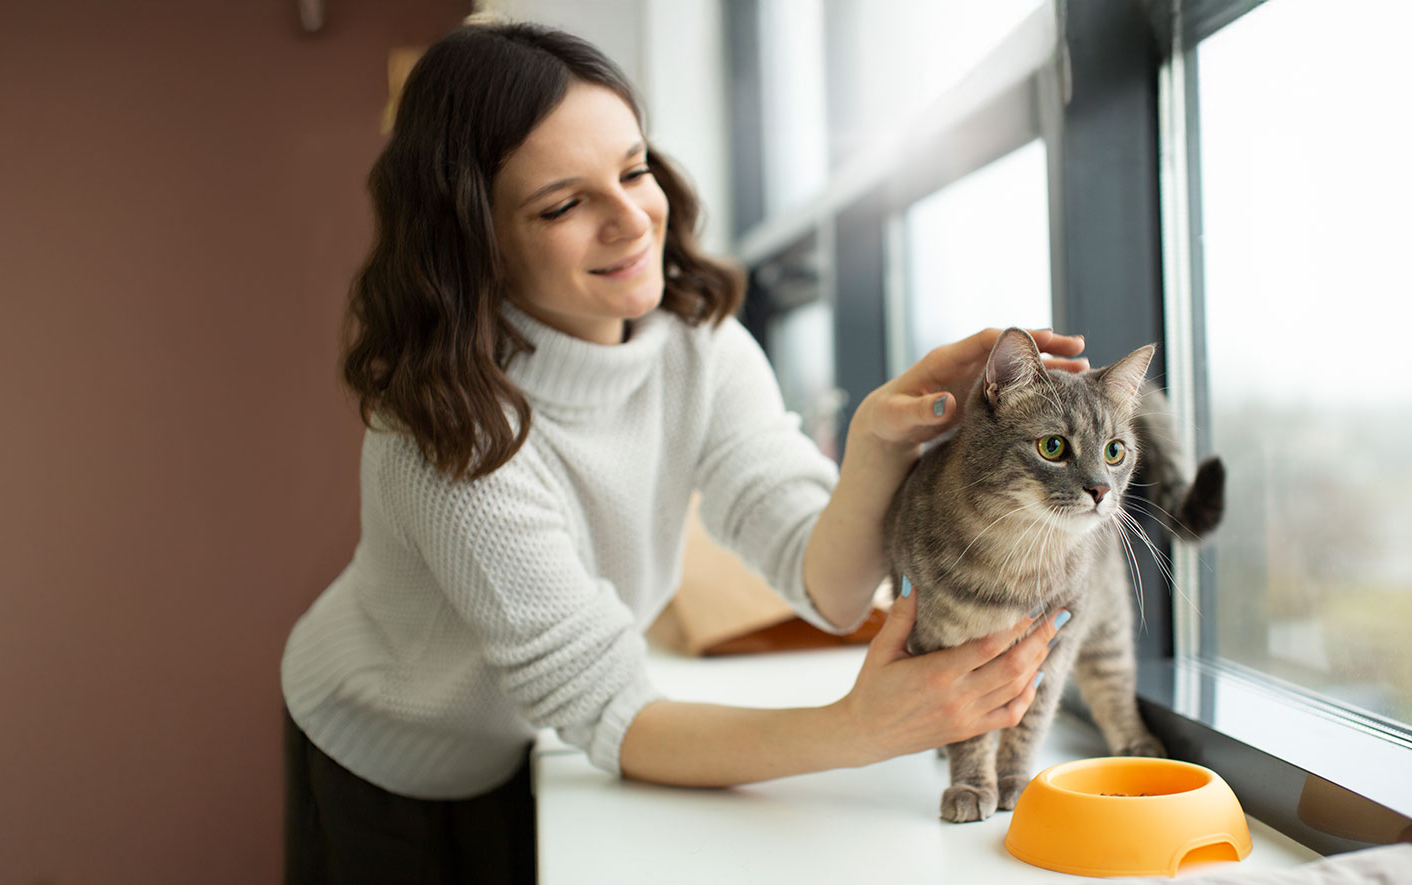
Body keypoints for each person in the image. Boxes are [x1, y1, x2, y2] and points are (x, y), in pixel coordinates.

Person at [280, 20, 1089, 884]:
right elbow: (614, 710)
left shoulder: (694, 345)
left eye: (633, 169)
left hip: (523, 735)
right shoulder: (443, 437)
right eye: (563, 204)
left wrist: (878, 446)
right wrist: (859, 727)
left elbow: (828, 582)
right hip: (391, 748)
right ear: (473, 240)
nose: (632, 221)